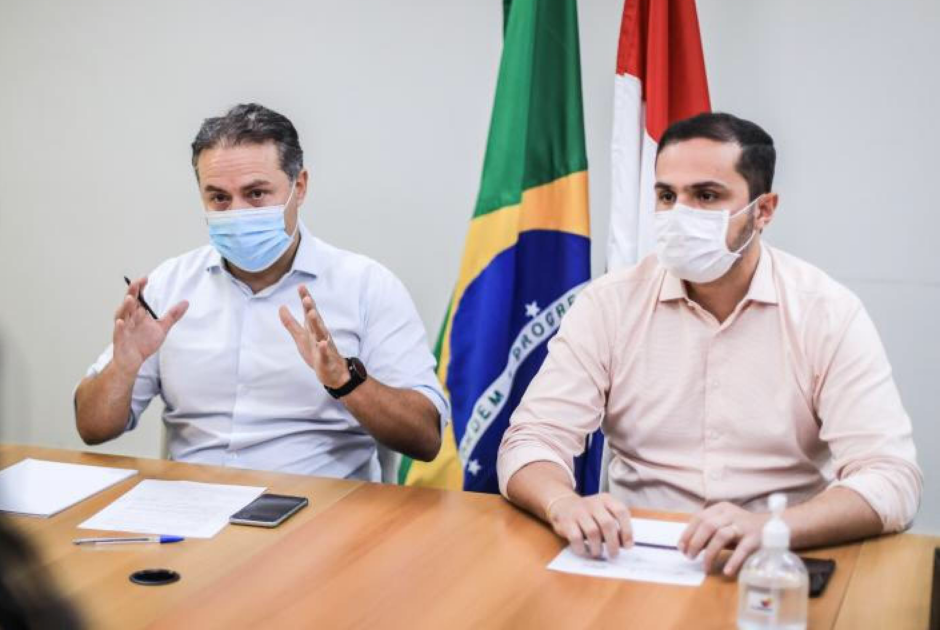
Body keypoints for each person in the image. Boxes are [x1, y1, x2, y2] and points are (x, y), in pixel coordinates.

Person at [497, 112, 922, 575]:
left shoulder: (826, 312)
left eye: (706, 196)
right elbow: (532, 439)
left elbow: (891, 478)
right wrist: (563, 502)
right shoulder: (610, 304)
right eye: (666, 196)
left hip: (775, 563)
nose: (680, 215)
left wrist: (773, 528)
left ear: (763, 210)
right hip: (634, 558)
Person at [74, 103, 447, 481]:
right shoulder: (168, 287)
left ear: (299, 187)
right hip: (192, 505)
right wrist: (123, 367)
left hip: (318, 505)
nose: (237, 212)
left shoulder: (366, 287)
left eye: (255, 193)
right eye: (219, 198)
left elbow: (426, 438)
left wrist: (346, 381)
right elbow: (91, 428)